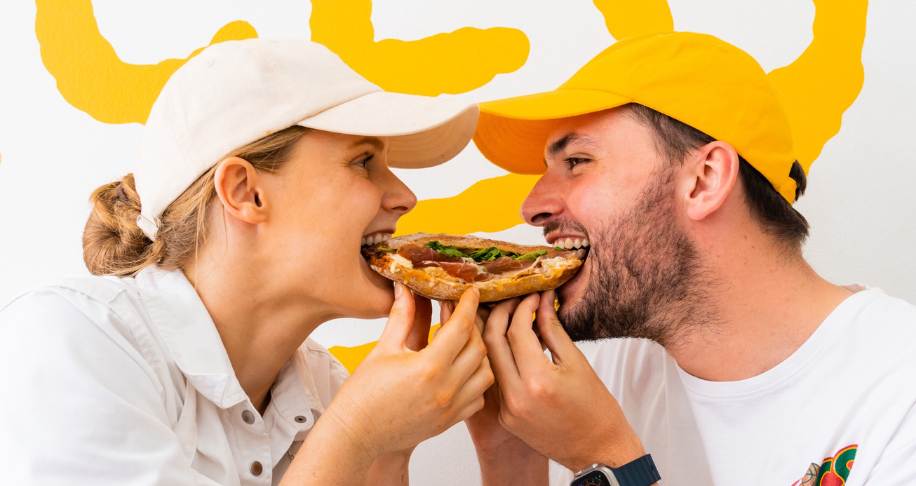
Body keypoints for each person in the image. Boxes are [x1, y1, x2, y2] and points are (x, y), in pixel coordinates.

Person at [0, 39, 495, 485]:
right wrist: (356, 434)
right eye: (363, 161)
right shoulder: (69, 340)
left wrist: (396, 447)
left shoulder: (323, 388)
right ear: (246, 192)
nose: (405, 197)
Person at [465, 32, 916, 485]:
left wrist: (611, 460)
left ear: (704, 180)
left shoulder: (899, 389)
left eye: (577, 161)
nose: (532, 205)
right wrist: (510, 448)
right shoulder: (601, 373)